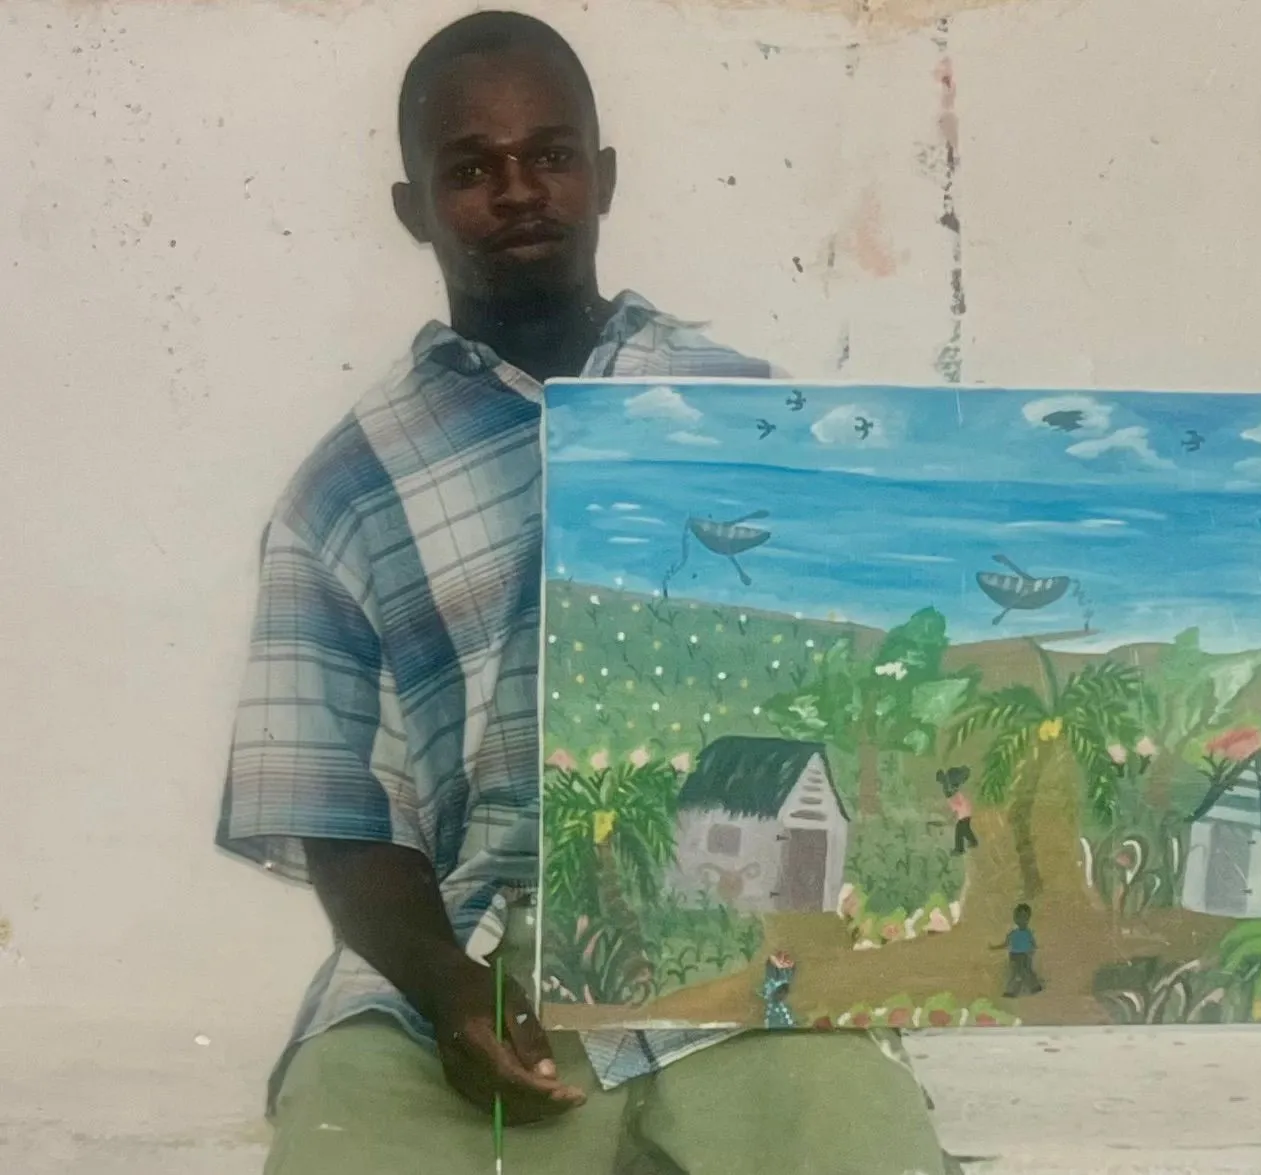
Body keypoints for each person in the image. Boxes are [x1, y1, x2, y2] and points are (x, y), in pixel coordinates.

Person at [214, 12, 952, 1174]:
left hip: (741, 944)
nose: (519, 191)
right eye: (472, 168)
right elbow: (339, 812)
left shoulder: (750, 419)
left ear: (602, 177)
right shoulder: (348, 490)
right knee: (342, 1130)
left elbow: (858, 711)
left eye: (550, 155)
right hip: (473, 954)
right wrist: (447, 990)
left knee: (848, 1134)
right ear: (412, 206)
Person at [997, 903, 1043, 998]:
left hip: (1025, 955)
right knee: (1015, 973)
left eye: (1024, 917)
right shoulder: (1013, 933)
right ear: (1015, 918)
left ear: (1028, 918)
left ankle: (1034, 986)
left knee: (1026, 971)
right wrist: (995, 947)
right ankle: (1013, 991)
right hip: (1014, 956)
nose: (1022, 920)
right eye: (1019, 917)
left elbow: (1033, 944)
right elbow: (1006, 943)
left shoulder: (1028, 933)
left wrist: (1033, 950)